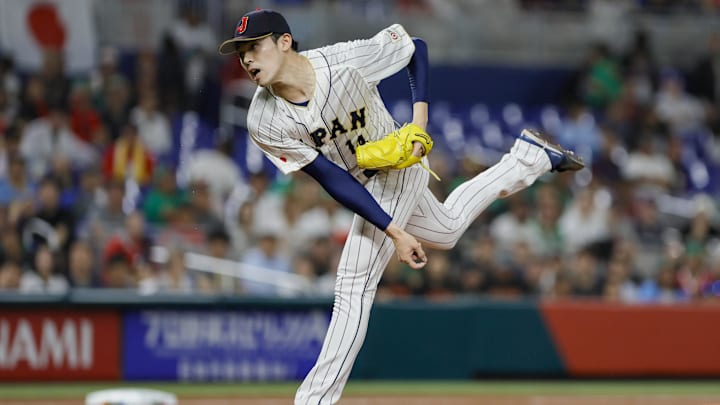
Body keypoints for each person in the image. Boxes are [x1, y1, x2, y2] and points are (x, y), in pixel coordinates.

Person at [218, 9, 583, 404]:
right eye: (241, 54)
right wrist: (394, 229)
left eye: (254, 46)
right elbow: (332, 178)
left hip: (398, 168)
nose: (247, 60)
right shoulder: (263, 119)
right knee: (446, 228)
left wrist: (419, 124)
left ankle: (313, 401)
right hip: (359, 183)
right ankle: (528, 159)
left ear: (284, 42)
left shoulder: (344, 61)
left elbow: (415, 49)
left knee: (353, 284)